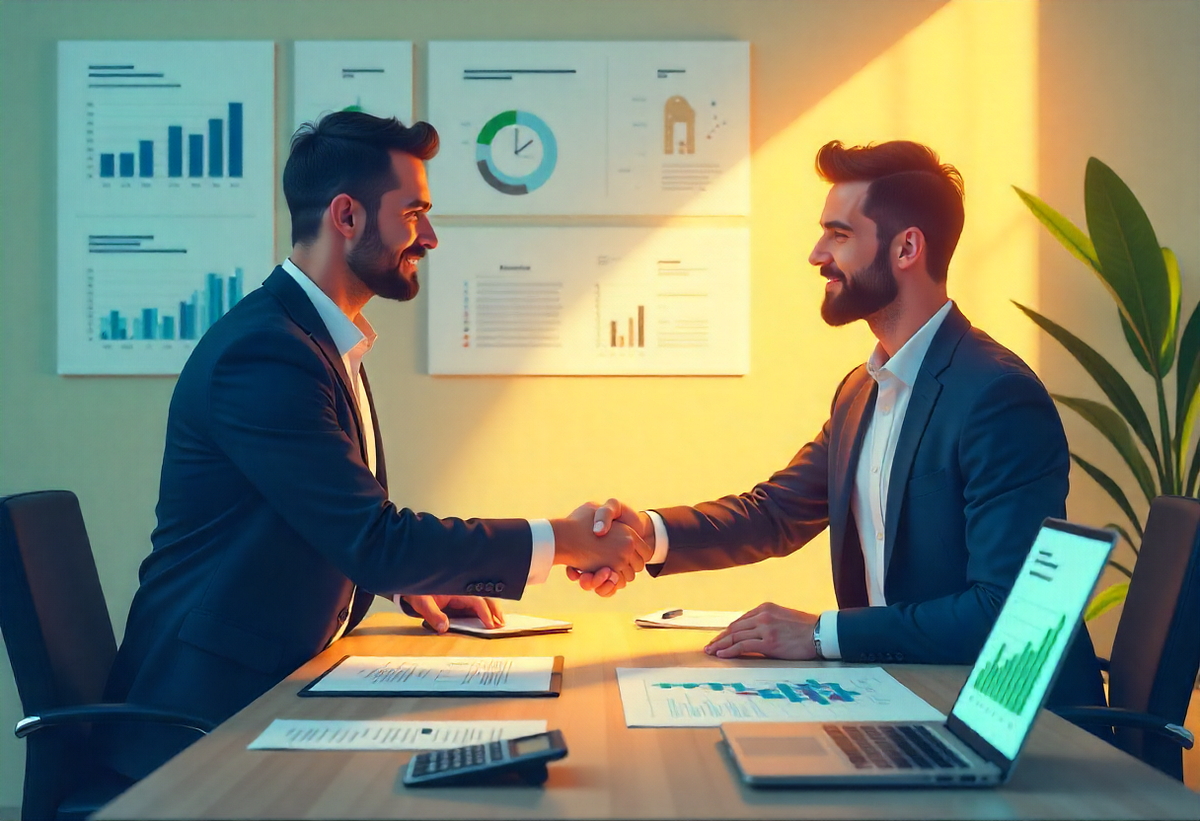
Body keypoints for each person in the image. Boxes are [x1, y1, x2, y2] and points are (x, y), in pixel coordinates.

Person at [97, 111, 651, 784]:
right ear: (347, 215)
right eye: (414, 212)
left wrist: (410, 581)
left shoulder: (316, 340)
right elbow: (375, 539)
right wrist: (564, 539)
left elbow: (327, 528)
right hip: (206, 722)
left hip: (273, 689)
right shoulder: (265, 353)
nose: (432, 237)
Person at [579, 139, 1105, 709]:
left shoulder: (996, 397)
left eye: (840, 234)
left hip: (1015, 727)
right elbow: (776, 512)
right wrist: (648, 533)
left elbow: (1007, 613)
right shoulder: (861, 390)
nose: (816, 254)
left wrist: (819, 635)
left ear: (906, 248)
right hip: (909, 696)